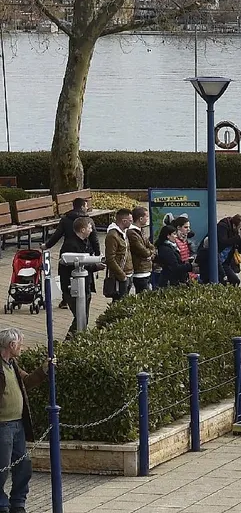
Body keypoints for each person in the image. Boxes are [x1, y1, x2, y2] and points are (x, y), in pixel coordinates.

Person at [0, 328, 47, 513]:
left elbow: (26, 382)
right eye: (20, 344)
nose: (22, 347)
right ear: (12, 345)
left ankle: (18, 502)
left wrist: (43, 370)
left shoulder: (12, 364)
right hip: (3, 425)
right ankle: (2, 503)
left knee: (23, 465)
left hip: (17, 424)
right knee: (2, 468)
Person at [43, 197, 99, 310]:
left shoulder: (65, 219)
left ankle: (66, 299)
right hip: (84, 251)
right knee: (84, 271)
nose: (87, 208)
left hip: (67, 250)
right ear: (83, 206)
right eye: (86, 206)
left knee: (66, 274)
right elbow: (95, 239)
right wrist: (98, 256)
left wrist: (47, 246)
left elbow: (57, 235)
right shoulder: (88, 221)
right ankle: (84, 294)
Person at [102, 209, 134, 301]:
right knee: (119, 301)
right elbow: (110, 258)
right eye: (130, 221)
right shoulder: (113, 235)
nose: (131, 223)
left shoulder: (124, 232)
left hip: (128, 273)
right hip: (120, 275)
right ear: (124, 221)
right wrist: (121, 275)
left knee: (124, 301)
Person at [155, 218, 194, 287]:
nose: (176, 237)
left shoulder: (171, 247)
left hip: (175, 278)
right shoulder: (166, 249)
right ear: (168, 236)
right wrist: (191, 266)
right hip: (170, 281)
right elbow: (174, 267)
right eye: (174, 234)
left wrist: (186, 262)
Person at [216, 215, 241, 287]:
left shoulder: (237, 233)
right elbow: (223, 242)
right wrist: (238, 237)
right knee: (223, 280)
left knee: (235, 281)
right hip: (215, 260)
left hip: (225, 262)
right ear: (234, 226)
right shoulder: (223, 226)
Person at [127, 207, 156, 293]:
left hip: (147, 269)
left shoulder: (141, 230)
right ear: (140, 218)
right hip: (139, 270)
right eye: (146, 216)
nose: (148, 219)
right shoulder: (132, 233)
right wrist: (150, 253)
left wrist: (151, 254)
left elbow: (151, 247)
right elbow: (144, 251)